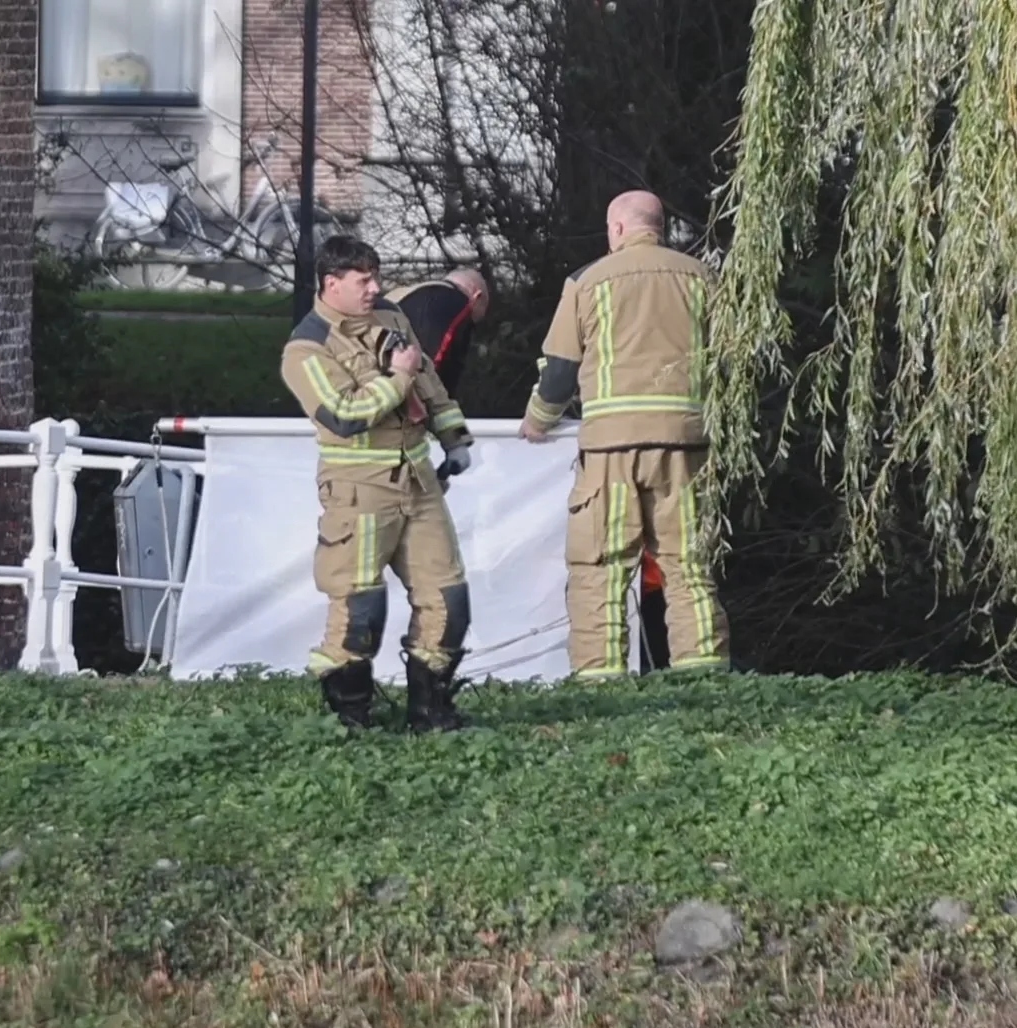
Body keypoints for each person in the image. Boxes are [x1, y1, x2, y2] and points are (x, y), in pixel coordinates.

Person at [519, 189, 731, 677]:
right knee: (689, 562)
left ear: (616, 229)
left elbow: (558, 373)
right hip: (685, 443)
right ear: (659, 226)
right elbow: (728, 363)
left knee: (602, 565)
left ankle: (601, 678)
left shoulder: (587, 281)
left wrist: (537, 421)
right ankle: (704, 672)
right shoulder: (704, 279)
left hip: (611, 448)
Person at [280, 235, 478, 732]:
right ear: (332, 284)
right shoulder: (307, 348)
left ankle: (431, 711)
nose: (376, 288)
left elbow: (428, 380)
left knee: (448, 598)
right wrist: (396, 378)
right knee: (359, 608)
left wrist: (453, 437)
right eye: (363, 280)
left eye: (375, 277)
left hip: (419, 483)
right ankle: (351, 718)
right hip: (359, 490)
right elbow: (345, 415)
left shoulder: (392, 316)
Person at [384, 267, 490, 396]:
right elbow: (438, 361)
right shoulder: (458, 303)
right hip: (410, 396)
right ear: (477, 296)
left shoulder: (398, 297)